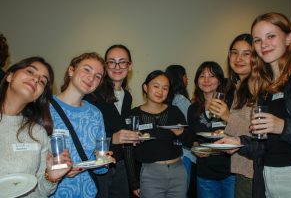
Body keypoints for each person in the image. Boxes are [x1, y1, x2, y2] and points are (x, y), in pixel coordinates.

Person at [217, 12, 291, 198]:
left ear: (289, 38)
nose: (264, 44)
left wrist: (282, 126)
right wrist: (239, 143)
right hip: (265, 174)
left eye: (271, 36)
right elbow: (263, 143)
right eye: (257, 40)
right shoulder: (266, 87)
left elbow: (281, 129)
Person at [0, 57, 72, 197]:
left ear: (38, 96)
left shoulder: (37, 132)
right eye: (30, 71)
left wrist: (51, 177)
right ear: (9, 76)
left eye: (42, 81)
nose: (36, 79)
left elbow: (39, 191)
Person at [49, 52, 110, 198]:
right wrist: (58, 171)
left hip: (88, 192)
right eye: (87, 69)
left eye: (98, 76)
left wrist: (104, 161)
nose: (91, 78)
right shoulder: (44, 108)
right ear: (71, 71)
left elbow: (99, 167)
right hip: (54, 193)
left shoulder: (95, 114)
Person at [84, 44, 139, 198]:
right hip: (98, 164)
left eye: (122, 62)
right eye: (111, 62)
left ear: (130, 66)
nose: (117, 66)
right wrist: (112, 138)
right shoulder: (93, 94)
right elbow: (84, 136)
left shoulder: (127, 97)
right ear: (105, 65)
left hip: (120, 163)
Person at [127, 70, 191, 198]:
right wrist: (133, 182)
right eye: (156, 86)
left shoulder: (174, 111)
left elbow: (189, 142)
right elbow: (128, 150)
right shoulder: (134, 114)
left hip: (178, 171)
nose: (160, 91)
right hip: (151, 173)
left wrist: (181, 133)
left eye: (165, 88)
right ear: (145, 87)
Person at [209, 33, 254, 197]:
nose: (239, 58)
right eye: (235, 52)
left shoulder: (259, 88)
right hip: (242, 169)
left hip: (255, 171)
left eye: (246, 54)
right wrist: (225, 132)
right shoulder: (240, 87)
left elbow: (260, 133)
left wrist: (227, 116)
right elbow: (243, 127)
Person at [187, 61, 235, 198]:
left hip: (230, 171)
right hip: (205, 172)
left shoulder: (230, 103)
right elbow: (193, 138)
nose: (206, 80)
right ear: (197, 81)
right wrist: (196, 148)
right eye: (202, 76)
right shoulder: (193, 109)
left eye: (211, 76)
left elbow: (240, 130)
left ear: (219, 81)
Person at [165, 64, 196, 197]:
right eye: (185, 76)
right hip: (185, 153)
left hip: (171, 152)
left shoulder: (167, 100)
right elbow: (189, 126)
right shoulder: (181, 100)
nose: (187, 79)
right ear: (180, 78)